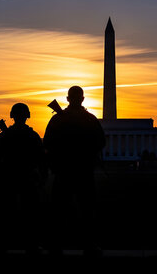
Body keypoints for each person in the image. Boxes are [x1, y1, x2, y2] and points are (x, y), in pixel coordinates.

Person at [43, 86, 106, 256]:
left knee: (59, 210)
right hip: (83, 171)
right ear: (83, 99)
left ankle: (55, 246)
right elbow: (100, 142)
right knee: (86, 210)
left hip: (64, 171)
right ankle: (88, 245)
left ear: (67, 99)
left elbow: (48, 143)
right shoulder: (90, 120)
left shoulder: (58, 120)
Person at [0, 103, 47, 255]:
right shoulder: (33, 135)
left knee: (6, 213)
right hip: (26, 178)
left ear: (12, 116)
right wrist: (42, 176)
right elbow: (41, 158)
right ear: (27, 116)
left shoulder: (5, 135)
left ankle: (3, 244)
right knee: (30, 214)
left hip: (9, 179)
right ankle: (32, 245)